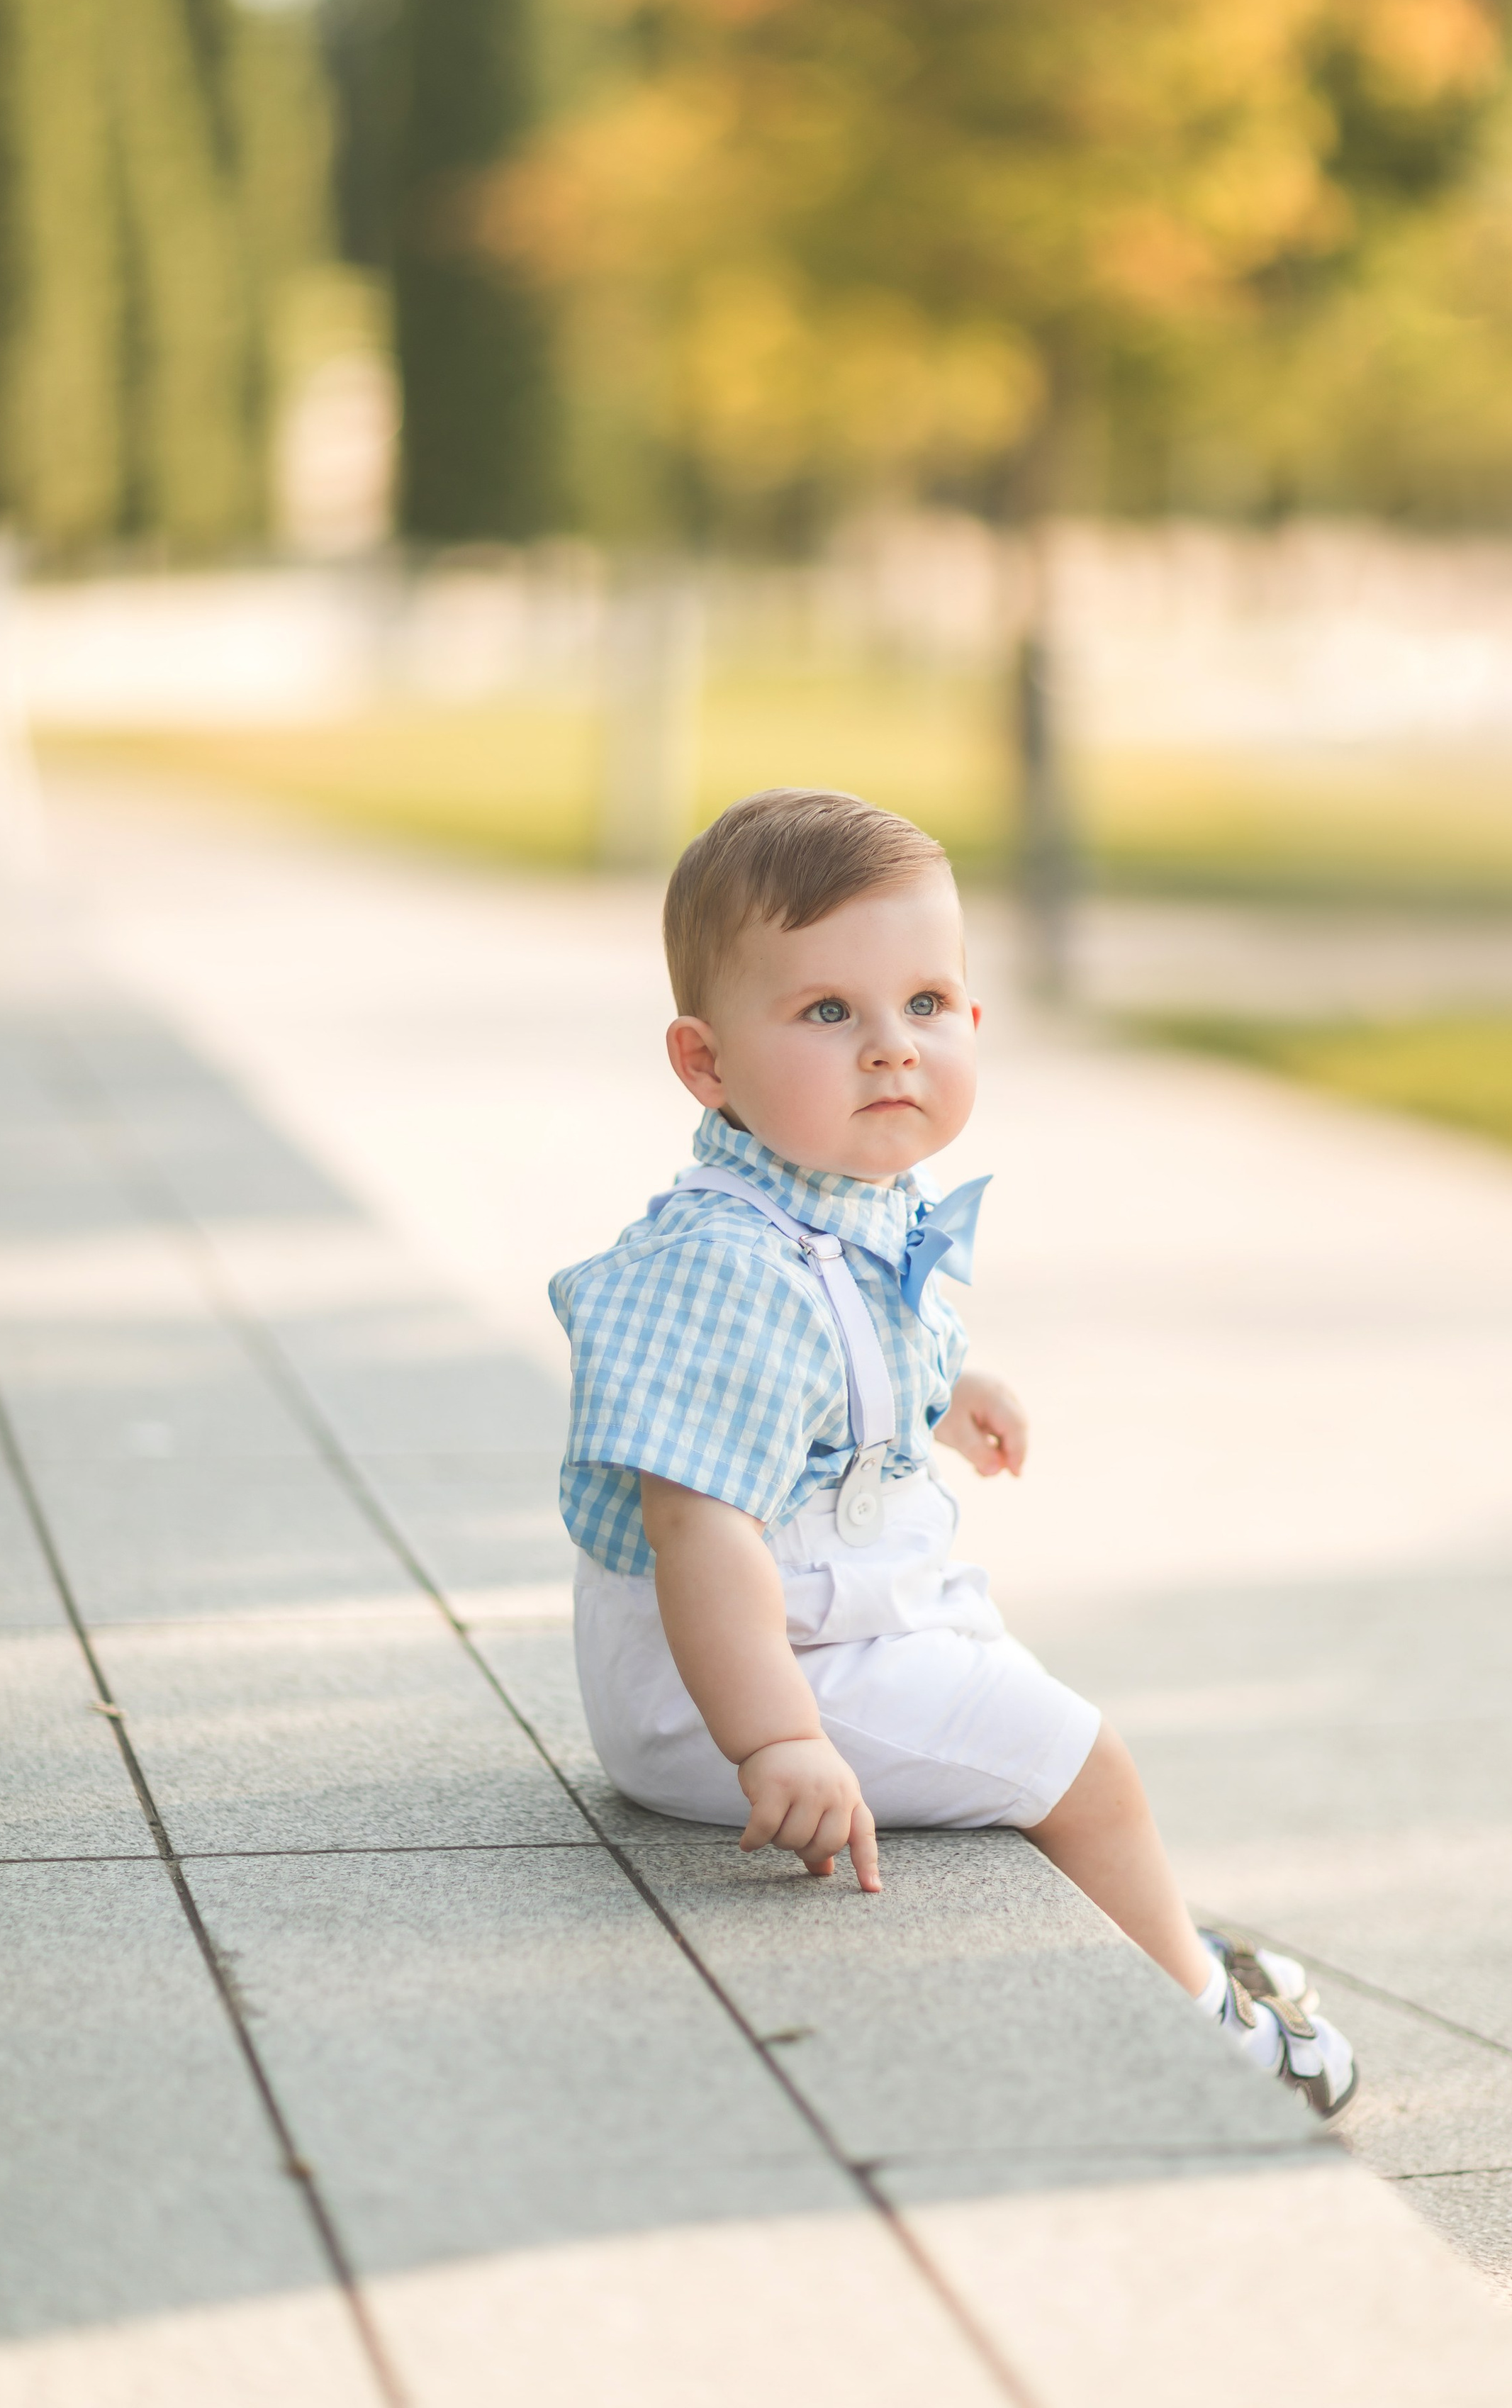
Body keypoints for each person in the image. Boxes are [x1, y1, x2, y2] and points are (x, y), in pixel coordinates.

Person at [551, 787, 1355, 2117]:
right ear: (706, 1065)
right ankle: (1210, 2028)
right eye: (828, 1013)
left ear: (974, 1019)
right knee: (1082, 1759)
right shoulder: (719, 1268)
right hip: (731, 1681)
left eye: (926, 1005)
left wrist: (939, 1389)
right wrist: (775, 1743)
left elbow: (831, 1359)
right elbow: (698, 1525)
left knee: (1009, 1682)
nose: (891, 1051)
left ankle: (1150, 1935)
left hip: (826, 1621)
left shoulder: (833, 1191)